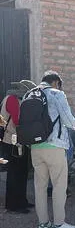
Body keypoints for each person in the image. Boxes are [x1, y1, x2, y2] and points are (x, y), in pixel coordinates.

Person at [30, 71, 75, 228]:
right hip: (55, 146)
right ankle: (58, 225)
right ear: (56, 82)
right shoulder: (57, 94)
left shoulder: (31, 94)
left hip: (35, 147)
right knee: (59, 186)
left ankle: (43, 224)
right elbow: (69, 121)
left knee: (40, 187)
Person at [0, 80, 34, 214]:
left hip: (16, 141)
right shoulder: (13, 100)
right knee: (15, 173)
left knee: (21, 172)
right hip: (13, 141)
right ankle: (13, 205)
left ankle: (21, 201)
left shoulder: (11, 98)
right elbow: (17, 121)